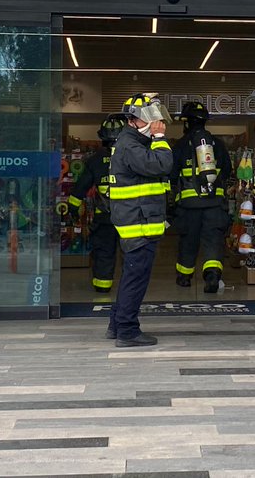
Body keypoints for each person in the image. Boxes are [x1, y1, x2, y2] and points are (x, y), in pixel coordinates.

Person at [105, 93, 173, 348]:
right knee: (135, 278)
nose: (157, 124)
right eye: (153, 119)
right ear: (138, 119)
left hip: (138, 221)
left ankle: (117, 323)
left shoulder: (130, 143)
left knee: (131, 276)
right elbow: (162, 165)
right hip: (138, 224)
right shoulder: (131, 146)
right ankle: (127, 331)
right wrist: (159, 138)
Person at [170, 101, 233, 293]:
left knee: (188, 241)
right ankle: (212, 276)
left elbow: (171, 175)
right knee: (213, 240)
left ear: (186, 123)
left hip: (189, 206)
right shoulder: (218, 145)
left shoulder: (180, 146)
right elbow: (228, 171)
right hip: (214, 204)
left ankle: (184, 277)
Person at [67, 115, 126, 293]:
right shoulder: (134, 157)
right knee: (131, 255)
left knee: (103, 252)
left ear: (102, 136)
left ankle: (102, 286)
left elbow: (81, 187)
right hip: (129, 217)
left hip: (104, 217)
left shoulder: (94, 160)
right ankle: (130, 288)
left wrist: (72, 208)